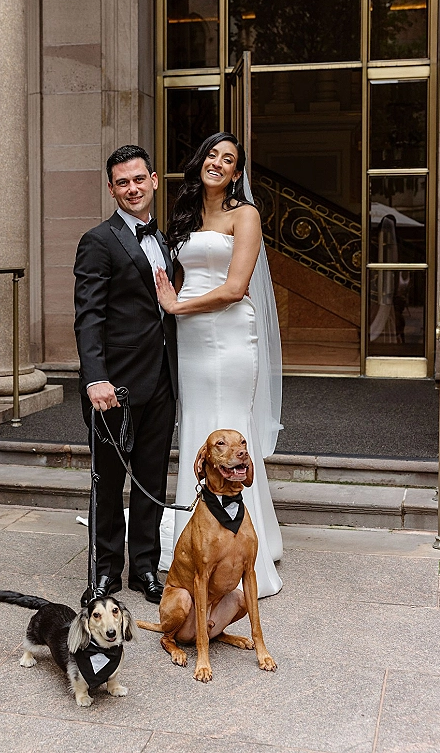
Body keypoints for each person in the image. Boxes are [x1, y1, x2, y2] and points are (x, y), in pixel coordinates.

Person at [155, 132, 283, 598]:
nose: (218, 163)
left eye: (228, 159)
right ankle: (197, 541)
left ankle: (247, 543)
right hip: (191, 337)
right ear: (201, 161)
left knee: (229, 427)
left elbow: (234, 288)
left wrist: (177, 307)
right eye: (212, 154)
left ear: (236, 173)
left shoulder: (245, 215)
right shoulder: (187, 212)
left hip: (229, 335)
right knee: (196, 424)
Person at [74, 145, 177, 606]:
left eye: (139, 179)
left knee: (152, 482)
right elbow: (89, 316)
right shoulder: (98, 241)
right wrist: (95, 377)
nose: (132, 189)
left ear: (154, 180)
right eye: (122, 182)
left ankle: (145, 570)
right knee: (109, 481)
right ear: (111, 188)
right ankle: (103, 573)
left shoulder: (167, 240)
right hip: (112, 388)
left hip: (161, 383)